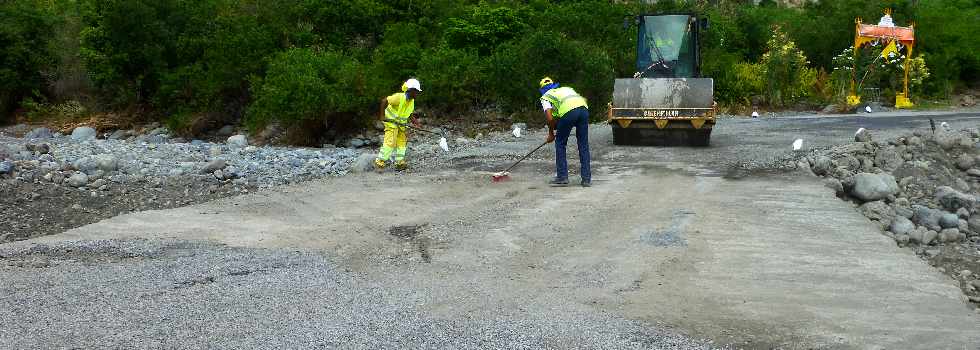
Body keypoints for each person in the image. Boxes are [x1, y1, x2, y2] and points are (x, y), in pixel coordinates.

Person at [538, 77, 591, 187]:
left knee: (560, 143)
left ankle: (562, 177)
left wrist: (552, 134)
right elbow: (556, 118)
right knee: (583, 145)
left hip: (570, 112)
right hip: (584, 110)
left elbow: (549, 118)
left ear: (543, 89)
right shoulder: (565, 89)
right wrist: (554, 129)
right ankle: (586, 179)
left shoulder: (545, 97)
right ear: (553, 86)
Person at [375, 78, 422, 171]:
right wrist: (382, 115)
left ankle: (399, 162)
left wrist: (414, 121)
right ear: (411, 90)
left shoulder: (411, 101)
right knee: (390, 142)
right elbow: (384, 101)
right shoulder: (399, 97)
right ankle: (380, 162)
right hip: (391, 123)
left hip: (401, 125)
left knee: (402, 141)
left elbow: (408, 112)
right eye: (416, 91)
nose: (417, 94)